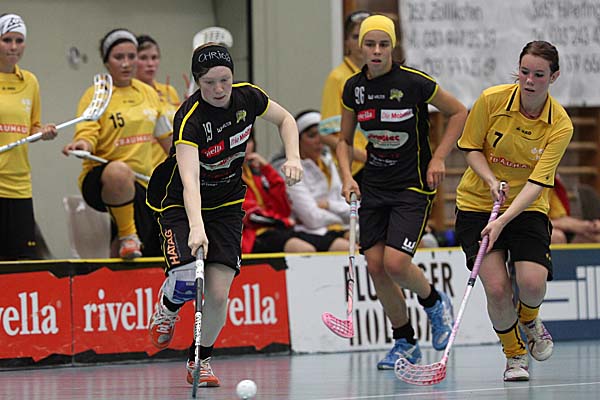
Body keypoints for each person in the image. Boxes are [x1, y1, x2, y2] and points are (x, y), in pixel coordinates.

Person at [146, 43, 302, 388]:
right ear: (197, 82)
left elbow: (286, 120)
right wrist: (196, 227)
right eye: (209, 83)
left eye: (225, 80)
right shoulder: (190, 119)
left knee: (217, 295)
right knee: (187, 278)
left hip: (227, 205)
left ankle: (199, 361)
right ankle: (168, 308)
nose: (219, 89)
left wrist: (293, 157)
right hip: (181, 203)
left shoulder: (248, 98)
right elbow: (190, 180)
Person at [336, 14, 466, 369]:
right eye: (370, 44)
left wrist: (438, 158)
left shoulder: (414, 82)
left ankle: (435, 302)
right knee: (376, 267)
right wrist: (347, 177)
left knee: (395, 263)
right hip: (374, 185)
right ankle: (405, 341)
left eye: (384, 44)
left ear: (393, 46)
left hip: (412, 185)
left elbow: (458, 112)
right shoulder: (353, 88)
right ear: (360, 47)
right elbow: (343, 141)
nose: (377, 51)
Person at [453, 41, 573, 381]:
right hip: (478, 205)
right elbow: (471, 148)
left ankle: (530, 318)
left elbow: (538, 182)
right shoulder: (491, 101)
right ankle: (515, 355)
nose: (529, 81)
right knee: (496, 289)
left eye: (539, 75)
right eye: (524, 72)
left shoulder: (560, 125)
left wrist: (504, 219)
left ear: (553, 77)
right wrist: (490, 180)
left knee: (532, 283)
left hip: (527, 206)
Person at [62, 28, 172, 259]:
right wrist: (83, 144)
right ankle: (128, 236)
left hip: (141, 182)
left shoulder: (149, 94)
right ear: (106, 61)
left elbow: (166, 138)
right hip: (104, 179)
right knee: (120, 172)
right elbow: (87, 131)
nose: (126, 63)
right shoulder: (97, 94)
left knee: (152, 247)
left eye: (131, 56)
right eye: (118, 57)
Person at [0, 13, 57, 260]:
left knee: (22, 259)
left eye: (19, 40)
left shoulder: (30, 82)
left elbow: (31, 128)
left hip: (20, 185)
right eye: (6, 40)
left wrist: (42, 133)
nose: (14, 47)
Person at [285, 110, 350, 252]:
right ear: (297, 140)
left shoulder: (329, 164)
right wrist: (341, 219)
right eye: (312, 135)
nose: (319, 141)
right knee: (347, 247)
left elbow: (352, 209)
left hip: (339, 229)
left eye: (322, 135)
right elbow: (312, 218)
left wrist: (328, 205)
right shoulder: (290, 170)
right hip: (310, 233)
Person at [319, 11, 371, 186]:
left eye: (366, 36)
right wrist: (363, 156)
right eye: (356, 37)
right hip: (355, 168)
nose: (361, 43)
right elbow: (326, 135)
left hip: (380, 164)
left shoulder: (377, 76)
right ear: (346, 42)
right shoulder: (338, 78)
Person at [242, 132, 316, 253]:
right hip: (251, 237)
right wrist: (283, 222)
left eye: (248, 141)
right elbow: (251, 217)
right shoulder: (228, 179)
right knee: (305, 249)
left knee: (331, 244)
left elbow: (282, 210)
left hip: (275, 230)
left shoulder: (257, 174)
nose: (245, 147)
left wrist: (267, 169)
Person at [135, 34, 180, 169]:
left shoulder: (169, 91)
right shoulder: (130, 95)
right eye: (143, 58)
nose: (150, 64)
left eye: (154, 58)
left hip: (170, 169)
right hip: (144, 171)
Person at [549, 176, 600, 244]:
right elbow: (535, 221)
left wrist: (589, 226)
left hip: (552, 226)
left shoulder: (549, 185)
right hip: (539, 227)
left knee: (595, 237)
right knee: (557, 237)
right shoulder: (535, 184)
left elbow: (559, 217)